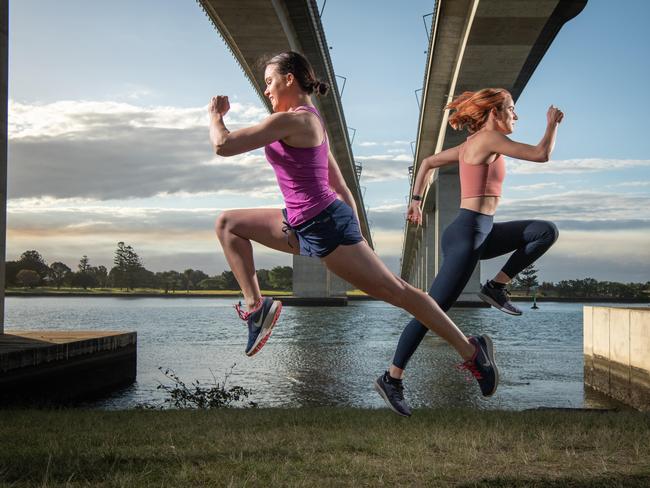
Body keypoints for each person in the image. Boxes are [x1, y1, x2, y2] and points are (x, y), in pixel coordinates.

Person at [209, 51, 497, 402]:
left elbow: (222, 145)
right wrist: (356, 227)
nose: (266, 90)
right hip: (304, 221)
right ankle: (257, 308)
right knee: (228, 224)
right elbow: (341, 184)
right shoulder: (308, 122)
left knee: (398, 293)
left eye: (269, 81)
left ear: (289, 79)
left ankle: (472, 352)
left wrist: (216, 116)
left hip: (322, 225)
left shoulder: (295, 121)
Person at [376, 88, 563, 416]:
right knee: (430, 310)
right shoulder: (488, 139)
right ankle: (392, 378)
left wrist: (417, 201)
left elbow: (428, 162)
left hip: (481, 231)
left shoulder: (471, 144)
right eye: (511, 109)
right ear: (494, 113)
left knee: (544, 232)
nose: (515, 117)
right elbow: (540, 154)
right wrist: (552, 125)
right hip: (467, 235)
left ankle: (495, 287)